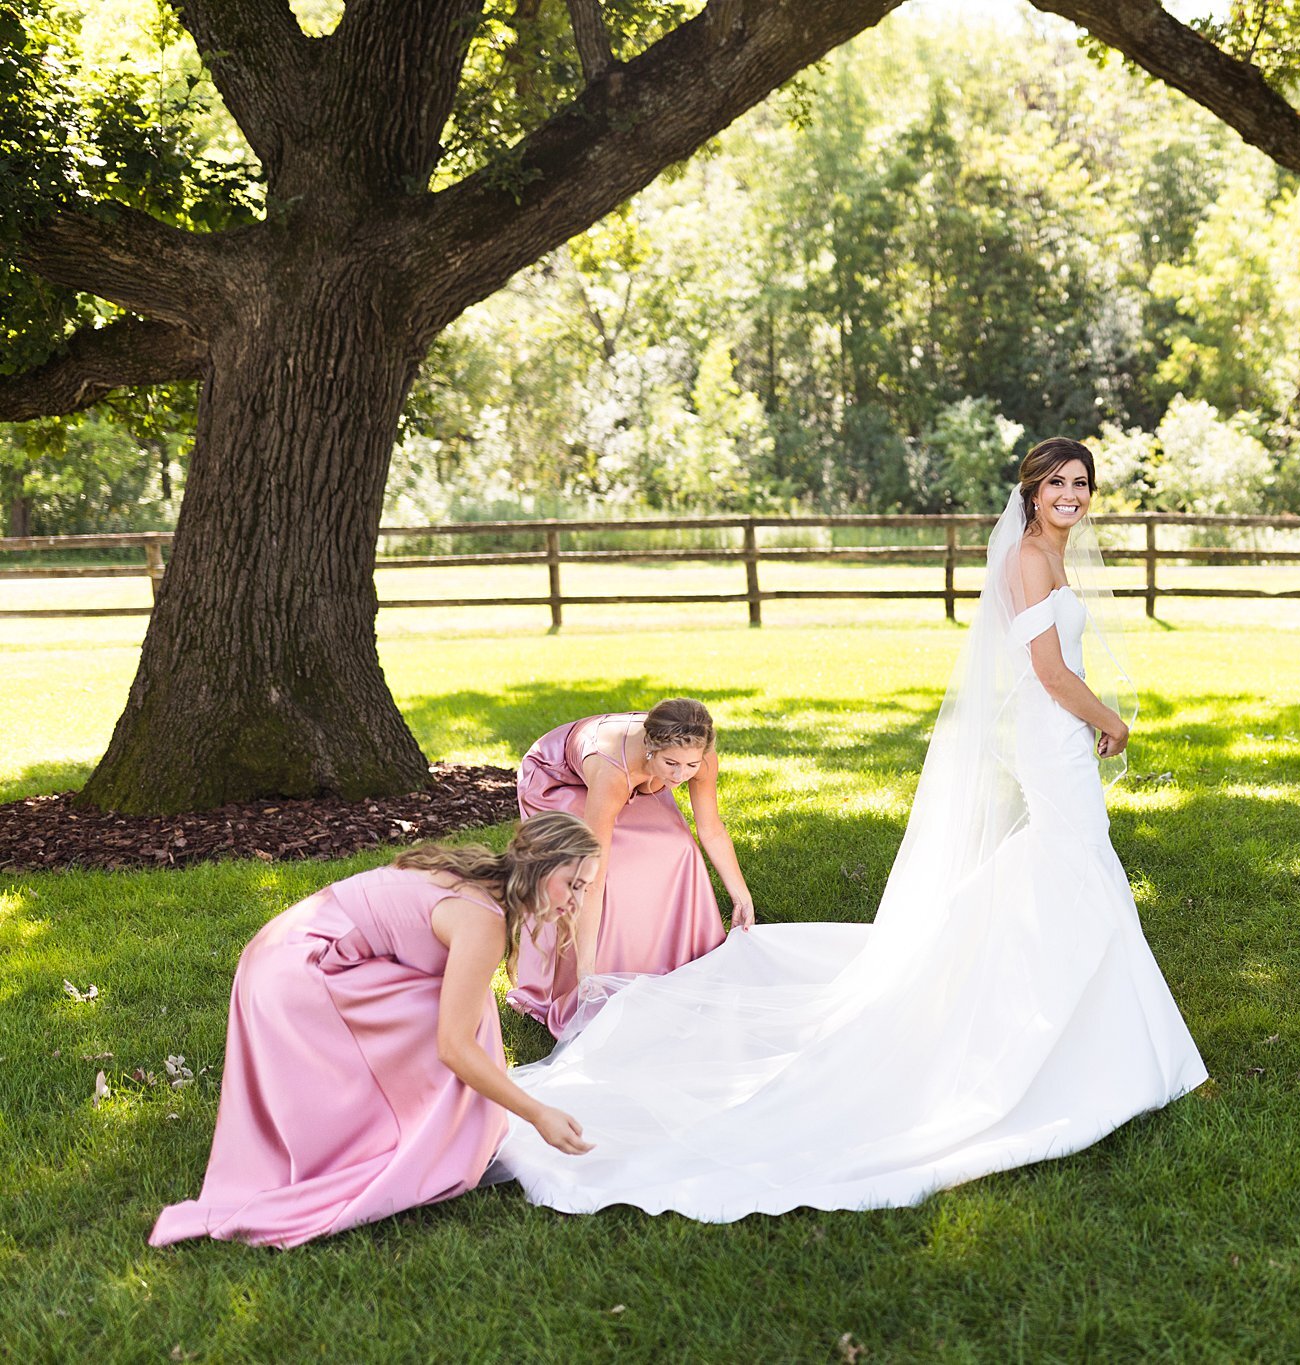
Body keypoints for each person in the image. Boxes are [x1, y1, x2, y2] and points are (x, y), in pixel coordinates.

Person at [489, 437, 1208, 1220]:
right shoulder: (1034, 557)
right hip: (1057, 732)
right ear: (1031, 492)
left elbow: (1050, 664)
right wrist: (1111, 720)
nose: (1071, 493)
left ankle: (1095, 1030)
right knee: (1076, 860)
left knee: (1070, 865)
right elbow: (1048, 672)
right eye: (1057, 482)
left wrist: (1086, 718)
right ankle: (1098, 1046)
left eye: (1081, 482)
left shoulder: (1046, 553)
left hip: (1058, 736)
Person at [149, 813, 602, 1248]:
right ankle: (420, 1147)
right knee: (462, 1020)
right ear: (539, 866)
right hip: (301, 972)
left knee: (462, 1002)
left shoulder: (477, 873)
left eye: (584, 889)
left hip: (280, 950)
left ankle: (436, 1135)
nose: (575, 902)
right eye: (572, 884)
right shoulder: (481, 919)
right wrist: (537, 1113)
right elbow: (454, 1048)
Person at [508, 699, 753, 1036]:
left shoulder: (696, 755)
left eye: (691, 765)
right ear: (651, 748)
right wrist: (586, 974)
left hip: (640, 776)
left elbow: (710, 829)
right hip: (558, 780)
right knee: (607, 869)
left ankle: (669, 962)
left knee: (679, 847)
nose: (681, 776)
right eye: (673, 764)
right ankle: (583, 971)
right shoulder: (611, 771)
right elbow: (591, 876)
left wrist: (741, 897)